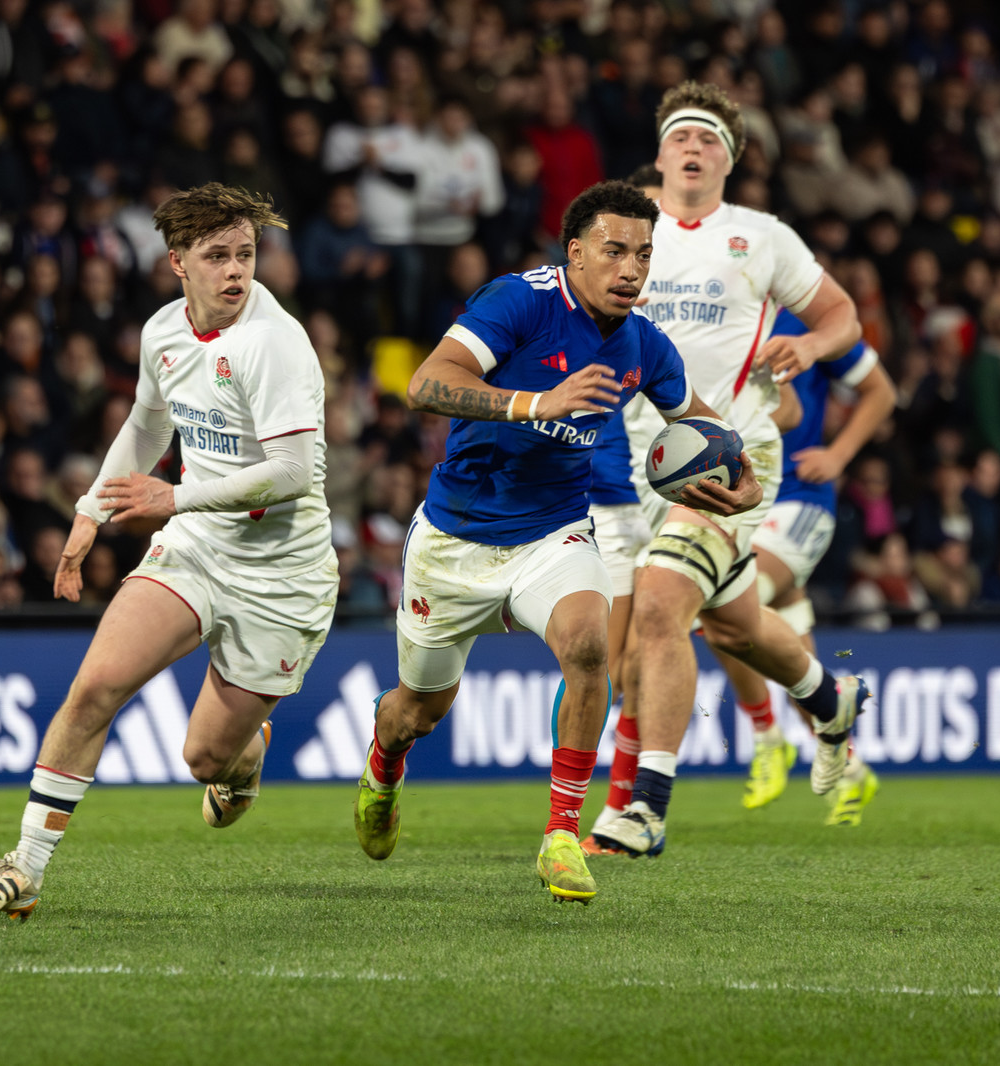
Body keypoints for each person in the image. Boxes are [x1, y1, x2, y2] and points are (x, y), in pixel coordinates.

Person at [352, 181, 757, 905]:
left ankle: (562, 835)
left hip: (554, 530)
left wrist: (738, 473)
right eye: (614, 251)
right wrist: (540, 402)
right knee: (417, 711)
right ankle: (385, 765)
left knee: (589, 645)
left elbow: (701, 422)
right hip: (455, 536)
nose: (631, 268)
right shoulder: (520, 301)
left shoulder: (644, 343)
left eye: (643, 253)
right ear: (575, 253)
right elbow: (425, 383)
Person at [0, 183, 337, 920]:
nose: (235, 271)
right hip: (197, 546)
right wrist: (89, 512)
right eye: (217, 256)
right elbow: (146, 424)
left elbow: (293, 475)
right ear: (177, 264)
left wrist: (171, 498)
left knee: (203, 759)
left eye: (246, 254)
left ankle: (245, 754)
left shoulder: (274, 342)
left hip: (282, 573)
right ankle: (24, 868)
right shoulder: (164, 332)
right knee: (95, 686)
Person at [588, 82, 871, 859]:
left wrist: (810, 349)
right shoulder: (627, 237)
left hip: (729, 452)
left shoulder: (762, 237)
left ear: (730, 160)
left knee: (660, 609)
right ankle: (830, 696)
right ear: (659, 154)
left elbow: (842, 315)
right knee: (729, 626)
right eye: (680, 134)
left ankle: (644, 809)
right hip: (639, 459)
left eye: (709, 138)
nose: (693, 147)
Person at [718, 311, 896, 825]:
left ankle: (768, 736)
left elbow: (881, 391)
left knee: (721, 600)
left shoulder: (808, 319)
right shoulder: (706, 308)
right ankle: (853, 770)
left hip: (799, 498)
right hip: (741, 497)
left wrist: (839, 455)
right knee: (789, 649)